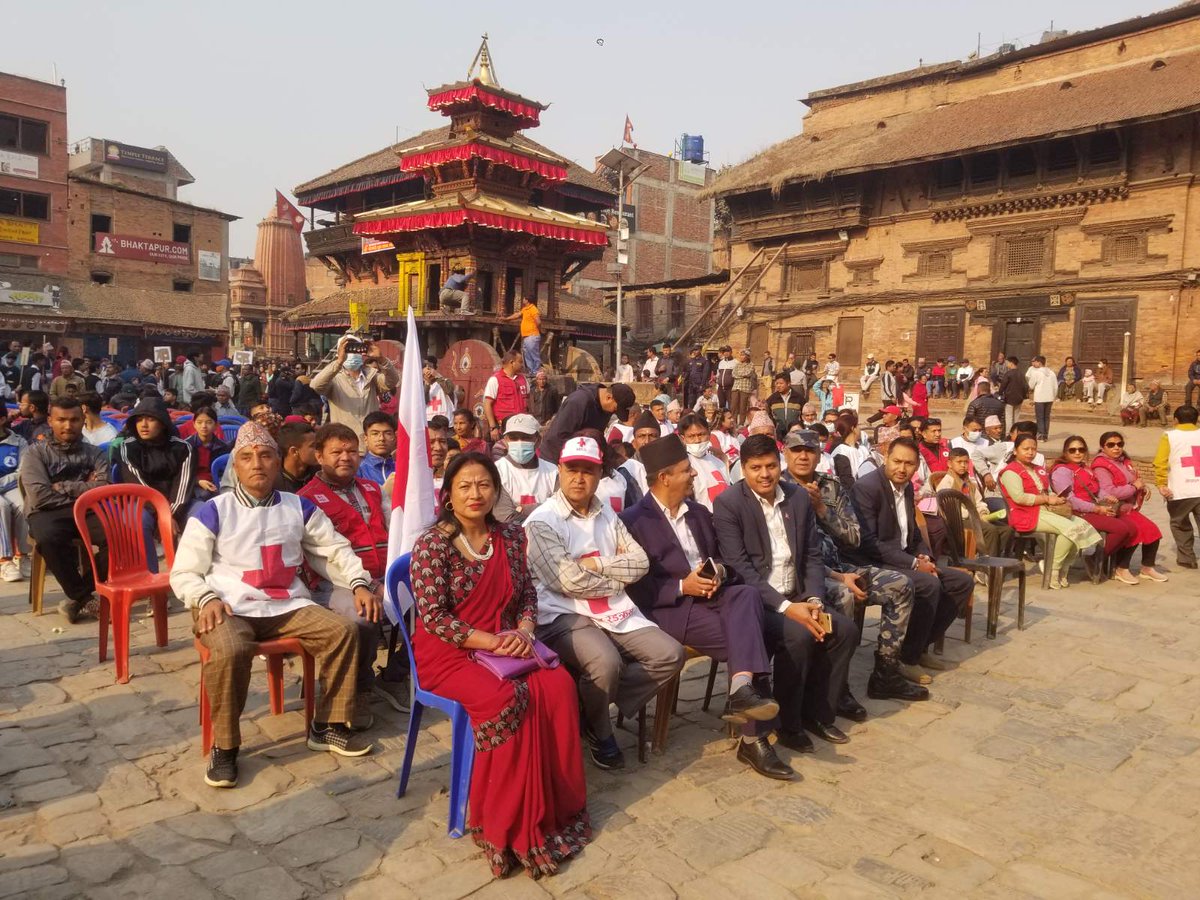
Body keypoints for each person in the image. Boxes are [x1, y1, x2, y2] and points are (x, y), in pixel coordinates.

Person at [410, 451, 590, 876]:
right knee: (507, 698)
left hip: (506, 643)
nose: (476, 493)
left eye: (484, 484)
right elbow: (434, 619)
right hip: (451, 652)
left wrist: (524, 632)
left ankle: (554, 807)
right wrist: (492, 640)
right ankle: (502, 822)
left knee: (559, 685)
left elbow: (527, 593)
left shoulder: (510, 536)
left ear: (496, 489)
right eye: (465, 486)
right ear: (449, 495)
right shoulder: (433, 545)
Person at [171, 422, 376, 788]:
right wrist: (205, 598)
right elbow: (185, 571)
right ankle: (226, 745)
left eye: (266, 456)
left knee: (343, 631)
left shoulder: (300, 507)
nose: (257, 464)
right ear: (235, 466)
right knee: (232, 648)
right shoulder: (213, 511)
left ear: (278, 461)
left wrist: (358, 582)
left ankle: (325, 725)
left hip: (286, 605)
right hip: (228, 606)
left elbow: (332, 550)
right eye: (247, 457)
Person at [620, 435, 788, 779]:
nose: (694, 475)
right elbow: (636, 588)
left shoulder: (698, 513)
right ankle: (753, 739)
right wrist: (683, 585)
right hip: (670, 610)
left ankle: (741, 689)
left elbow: (726, 561)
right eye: (686, 470)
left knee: (747, 596)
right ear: (664, 477)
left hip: (714, 598)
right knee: (757, 635)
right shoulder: (632, 521)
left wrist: (718, 573)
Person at [526, 435, 685, 770]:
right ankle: (601, 729)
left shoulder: (607, 515)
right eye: (573, 469)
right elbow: (566, 581)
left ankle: (588, 705)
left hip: (613, 608)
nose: (579, 478)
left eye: (588, 470)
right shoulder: (543, 521)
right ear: (560, 470)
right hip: (562, 613)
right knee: (605, 662)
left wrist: (596, 565)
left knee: (670, 655)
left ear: (600, 474)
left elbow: (640, 562)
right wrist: (616, 575)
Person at [713, 434, 859, 752]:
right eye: (755, 468)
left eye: (770, 466)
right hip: (759, 603)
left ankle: (818, 714)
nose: (764, 475)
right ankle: (789, 724)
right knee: (800, 634)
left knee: (844, 631)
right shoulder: (729, 504)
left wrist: (815, 599)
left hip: (799, 596)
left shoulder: (797, 498)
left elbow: (810, 556)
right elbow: (740, 569)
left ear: (779, 465)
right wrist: (786, 608)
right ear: (743, 470)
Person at [783, 429, 926, 702]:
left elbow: (855, 537)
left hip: (843, 566)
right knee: (845, 595)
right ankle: (836, 687)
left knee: (901, 584)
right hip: (806, 576)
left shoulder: (831, 487)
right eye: (796, 450)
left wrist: (823, 511)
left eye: (809, 451)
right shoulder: (777, 487)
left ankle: (886, 673)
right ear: (786, 453)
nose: (803, 456)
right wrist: (835, 576)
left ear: (818, 454)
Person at [846, 438, 974, 684]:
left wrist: (924, 555)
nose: (901, 468)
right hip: (873, 562)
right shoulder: (868, 488)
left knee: (961, 582)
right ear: (886, 458)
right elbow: (868, 542)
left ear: (917, 466)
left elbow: (913, 532)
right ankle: (905, 658)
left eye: (909, 463)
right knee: (928, 584)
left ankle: (918, 646)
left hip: (901, 558)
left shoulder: (905, 488)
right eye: (897, 461)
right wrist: (914, 564)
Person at [298, 422, 401, 724]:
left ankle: (395, 677)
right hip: (335, 584)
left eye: (352, 451)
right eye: (337, 452)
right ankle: (359, 687)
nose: (346, 457)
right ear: (318, 455)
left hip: (383, 576)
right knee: (362, 616)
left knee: (432, 603)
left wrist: (392, 579)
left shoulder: (371, 489)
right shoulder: (306, 499)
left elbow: (394, 531)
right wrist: (367, 586)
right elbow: (324, 557)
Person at [18, 397, 110, 622]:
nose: (68, 425)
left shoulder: (94, 453)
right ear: (50, 420)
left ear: (82, 420)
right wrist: (85, 488)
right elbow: (40, 496)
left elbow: (104, 486)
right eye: (61, 420)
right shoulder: (34, 454)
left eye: (74, 420)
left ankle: (76, 597)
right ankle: (85, 599)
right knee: (47, 538)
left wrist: (63, 487)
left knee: (120, 535)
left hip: (87, 511)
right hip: (47, 512)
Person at [998, 434, 1102, 589]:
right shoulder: (1010, 471)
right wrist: (1046, 499)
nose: (1030, 452)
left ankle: (1063, 568)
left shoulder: (1038, 469)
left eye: (1033, 449)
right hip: (1024, 514)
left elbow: (1046, 490)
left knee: (1082, 527)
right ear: (1015, 451)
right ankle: (1052, 568)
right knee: (1071, 529)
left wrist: (1056, 498)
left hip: (1046, 511)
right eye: (1025, 449)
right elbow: (1019, 498)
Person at [116, 398, 197, 572]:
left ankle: (193, 574)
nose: (143, 425)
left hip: (178, 504)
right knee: (137, 521)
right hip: (143, 504)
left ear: (162, 422)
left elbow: (183, 485)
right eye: (139, 419)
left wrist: (170, 514)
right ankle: (150, 577)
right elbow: (137, 485)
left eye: (151, 419)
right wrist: (162, 514)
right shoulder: (128, 448)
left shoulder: (183, 448)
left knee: (201, 515)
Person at [1051, 437, 1144, 586]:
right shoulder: (1062, 471)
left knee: (1132, 528)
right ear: (1065, 452)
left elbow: (1096, 489)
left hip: (1094, 508)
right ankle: (1094, 558)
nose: (1077, 453)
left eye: (1081, 449)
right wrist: (1097, 509)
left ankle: (1115, 564)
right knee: (1120, 529)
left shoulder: (1084, 468)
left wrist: (1107, 497)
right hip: (1076, 512)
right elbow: (1070, 499)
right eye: (1072, 450)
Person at [1091, 430, 1167, 582]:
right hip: (1114, 509)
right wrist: (1134, 487)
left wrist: (1142, 487)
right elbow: (1110, 491)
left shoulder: (1123, 461)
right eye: (1111, 445)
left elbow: (1134, 480)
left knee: (1153, 531)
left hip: (1127, 507)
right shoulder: (1101, 467)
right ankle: (1121, 567)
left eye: (1119, 444)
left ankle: (1147, 567)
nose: (1116, 448)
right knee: (1135, 531)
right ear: (1102, 447)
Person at [927, 447, 1013, 557]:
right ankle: (989, 566)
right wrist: (973, 515)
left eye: (966, 462)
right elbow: (950, 509)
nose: (963, 465)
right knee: (990, 530)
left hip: (975, 517)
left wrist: (982, 512)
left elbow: (978, 501)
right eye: (959, 462)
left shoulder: (969, 482)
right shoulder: (947, 482)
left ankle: (991, 556)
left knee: (1007, 530)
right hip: (959, 520)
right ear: (949, 463)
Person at [310, 335, 399, 434]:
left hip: (369, 439)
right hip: (345, 439)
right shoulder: (334, 379)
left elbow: (392, 381)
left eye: (355, 349)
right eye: (348, 349)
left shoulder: (371, 376)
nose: (352, 353)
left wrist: (381, 359)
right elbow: (316, 385)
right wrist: (339, 362)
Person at [540, 383, 635, 465]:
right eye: (615, 410)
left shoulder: (605, 408)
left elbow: (597, 437)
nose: (613, 413)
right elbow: (557, 437)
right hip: (555, 459)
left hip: (583, 456)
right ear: (609, 398)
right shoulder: (578, 402)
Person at [1154, 405, 1200, 569]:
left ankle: (1187, 558)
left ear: (1176, 420)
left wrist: (1161, 483)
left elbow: (1160, 462)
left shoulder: (1170, 435)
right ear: (1197, 420)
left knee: (1180, 523)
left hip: (1181, 489)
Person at [494, 414, 558, 523]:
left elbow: (560, 512)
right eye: (513, 438)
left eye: (526, 437)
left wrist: (522, 510)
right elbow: (505, 518)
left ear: (538, 440)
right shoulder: (496, 471)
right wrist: (544, 508)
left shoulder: (553, 472)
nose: (519, 442)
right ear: (505, 440)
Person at [677, 413, 730, 513]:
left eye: (701, 434)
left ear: (709, 434)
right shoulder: (683, 466)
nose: (697, 440)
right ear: (683, 439)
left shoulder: (719, 463)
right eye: (691, 436)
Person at [0, 407, 29, 581]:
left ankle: (23, 556)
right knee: (1, 506)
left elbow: (22, 472)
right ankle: (5, 561)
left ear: (3, 419)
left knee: (23, 503)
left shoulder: (18, 442)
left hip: (12, 486)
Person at [185, 407, 229, 502]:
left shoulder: (222, 447)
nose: (204, 426)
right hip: (193, 483)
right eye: (199, 422)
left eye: (209, 422)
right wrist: (198, 481)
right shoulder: (185, 446)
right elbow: (181, 473)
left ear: (216, 425)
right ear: (194, 424)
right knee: (205, 495)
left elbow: (224, 471)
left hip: (216, 482)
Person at [483, 352, 529, 441]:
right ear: (512, 363)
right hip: (504, 429)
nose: (522, 365)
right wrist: (493, 427)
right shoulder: (495, 380)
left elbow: (529, 400)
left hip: (522, 426)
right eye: (520, 362)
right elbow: (487, 404)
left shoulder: (523, 379)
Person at [276, 420, 317, 493]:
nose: (319, 450)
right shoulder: (275, 484)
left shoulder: (320, 474)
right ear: (294, 451)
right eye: (313, 446)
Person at [504, 296, 541, 374]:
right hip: (526, 336)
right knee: (527, 355)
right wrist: (506, 319)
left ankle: (536, 371)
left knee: (534, 355)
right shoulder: (525, 309)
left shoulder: (533, 309)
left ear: (527, 300)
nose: (523, 300)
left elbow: (538, 321)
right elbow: (517, 315)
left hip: (532, 335)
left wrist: (535, 329)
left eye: (524, 299)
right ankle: (531, 371)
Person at [829, 418, 868, 489]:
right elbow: (846, 481)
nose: (860, 430)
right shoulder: (841, 452)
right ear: (853, 428)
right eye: (858, 426)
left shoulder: (863, 449)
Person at [1025, 356, 1057, 441]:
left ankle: (1041, 435)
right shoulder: (1051, 372)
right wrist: (1054, 396)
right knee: (1046, 417)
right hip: (1050, 397)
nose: (1034, 364)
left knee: (1040, 417)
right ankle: (1045, 434)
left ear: (1039, 362)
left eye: (1035, 362)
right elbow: (1055, 386)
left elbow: (1031, 385)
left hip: (1040, 397)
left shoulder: (1037, 373)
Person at [766, 375, 802, 440]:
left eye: (781, 383)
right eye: (777, 383)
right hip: (778, 434)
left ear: (788, 383)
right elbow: (768, 415)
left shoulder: (799, 398)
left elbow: (803, 416)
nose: (778, 385)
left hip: (795, 434)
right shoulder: (772, 399)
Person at [998, 356, 1025, 433]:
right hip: (1019, 398)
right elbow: (1025, 386)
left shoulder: (1008, 373)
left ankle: (1008, 434)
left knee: (1009, 418)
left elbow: (1003, 385)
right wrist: (1023, 396)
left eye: (1007, 362)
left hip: (1009, 398)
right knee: (1016, 418)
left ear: (1011, 363)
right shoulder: (1021, 373)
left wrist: (1000, 393)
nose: (1006, 364)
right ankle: (1015, 432)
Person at [730, 349, 756, 427]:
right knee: (733, 406)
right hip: (736, 387)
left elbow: (748, 373)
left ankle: (741, 423)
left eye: (743, 355)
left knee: (743, 407)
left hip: (745, 388)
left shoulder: (751, 365)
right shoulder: (737, 364)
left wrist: (739, 374)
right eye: (740, 355)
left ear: (747, 356)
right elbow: (733, 374)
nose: (741, 357)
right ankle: (734, 422)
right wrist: (742, 375)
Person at [683, 345, 712, 411]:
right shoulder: (691, 360)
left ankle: (699, 418)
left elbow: (706, 374)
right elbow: (688, 372)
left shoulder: (704, 361)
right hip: (691, 385)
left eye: (696, 350)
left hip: (699, 385)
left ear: (700, 350)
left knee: (699, 402)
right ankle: (691, 416)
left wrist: (702, 385)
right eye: (694, 350)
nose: (695, 352)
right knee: (691, 402)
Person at [422, 356, 451, 422]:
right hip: (429, 421)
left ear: (435, 368)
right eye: (425, 367)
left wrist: (437, 375)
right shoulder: (421, 386)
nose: (428, 370)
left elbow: (449, 391)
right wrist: (427, 383)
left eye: (430, 367)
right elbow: (423, 401)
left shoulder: (445, 381)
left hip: (446, 422)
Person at [714, 345, 735, 411]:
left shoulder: (736, 362)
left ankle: (731, 420)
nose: (726, 353)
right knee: (721, 405)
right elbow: (718, 374)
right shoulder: (721, 362)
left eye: (727, 351)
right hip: (720, 387)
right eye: (724, 351)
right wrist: (715, 378)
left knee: (731, 405)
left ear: (731, 352)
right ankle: (722, 420)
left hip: (730, 387)